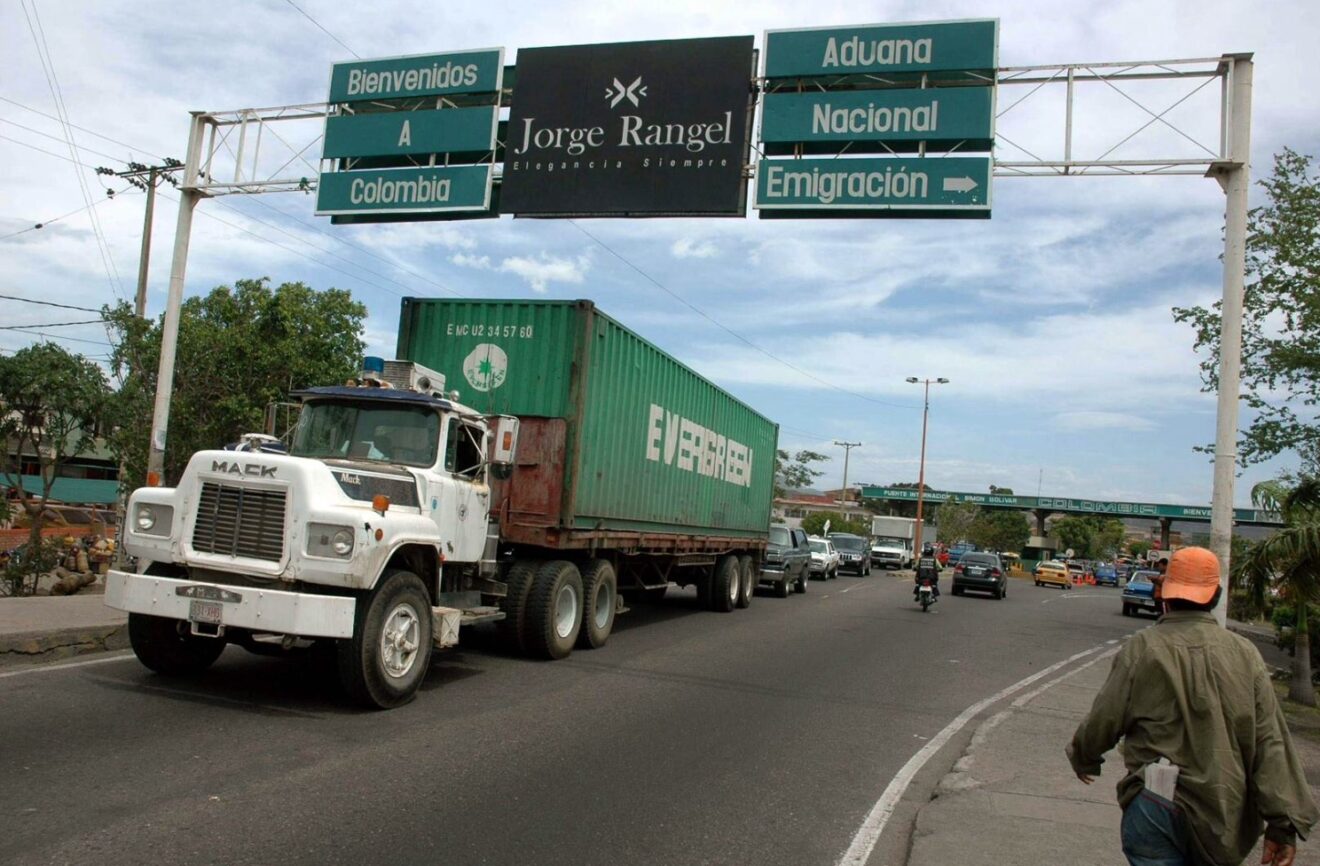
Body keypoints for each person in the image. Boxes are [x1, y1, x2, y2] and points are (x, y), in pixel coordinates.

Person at [1067, 546, 1317, 866]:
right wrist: (1283, 827)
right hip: (1223, 813)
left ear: (1166, 595)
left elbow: (1106, 716)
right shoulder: (1245, 654)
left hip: (1154, 802)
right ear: (1215, 595)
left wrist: (1084, 756)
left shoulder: (1143, 648)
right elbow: (1269, 740)